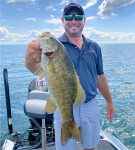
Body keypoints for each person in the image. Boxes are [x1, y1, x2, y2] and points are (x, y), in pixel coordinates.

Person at [25, 2, 115, 150]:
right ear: (63, 20)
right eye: (69, 16)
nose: (74, 20)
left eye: (78, 16)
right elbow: (33, 67)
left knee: (91, 146)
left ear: (84, 20)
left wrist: (109, 102)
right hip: (62, 106)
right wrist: (30, 55)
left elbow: (100, 76)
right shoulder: (54, 48)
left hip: (90, 105)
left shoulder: (94, 47)